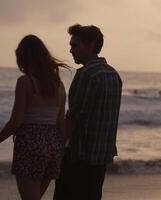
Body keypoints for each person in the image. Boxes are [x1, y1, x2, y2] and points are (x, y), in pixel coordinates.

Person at [0, 35, 69, 200]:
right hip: (52, 145)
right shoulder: (59, 85)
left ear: (24, 58)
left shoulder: (25, 82)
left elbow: (15, 122)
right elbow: (60, 123)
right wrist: (60, 151)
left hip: (30, 144)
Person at [53, 24, 122, 200]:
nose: (70, 50)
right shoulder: (113, 75)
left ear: (90, 46)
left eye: (75, 45)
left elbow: (74, 118)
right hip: (101, 156)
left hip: (80, 156)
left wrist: (57, 150)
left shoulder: (86, 75)